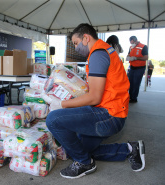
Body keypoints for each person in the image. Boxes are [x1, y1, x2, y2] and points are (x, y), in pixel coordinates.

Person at [46, 23, 145, 179]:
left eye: (76, 43)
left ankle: (84, 163)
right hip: (113, 110)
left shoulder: (98, 54)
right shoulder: (104, 50)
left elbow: (94, 97)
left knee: (53, 119)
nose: (76, 47)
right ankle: (130, 149)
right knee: (78, 149)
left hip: (109, 114)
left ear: (86, 38)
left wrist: (61, 104)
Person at [126, 36, 148, 103]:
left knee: (136, 83)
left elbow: (146, 57)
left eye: (132, 42)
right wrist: (128, 57)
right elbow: (128, 54)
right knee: (130, 83)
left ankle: (134, 98)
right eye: (130, 43)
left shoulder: (143, 46)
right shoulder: (131, 47)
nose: (131, 44)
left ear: (135, 40)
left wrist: (136, 58)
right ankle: (129, 96)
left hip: (139, 68)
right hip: (132, 67)